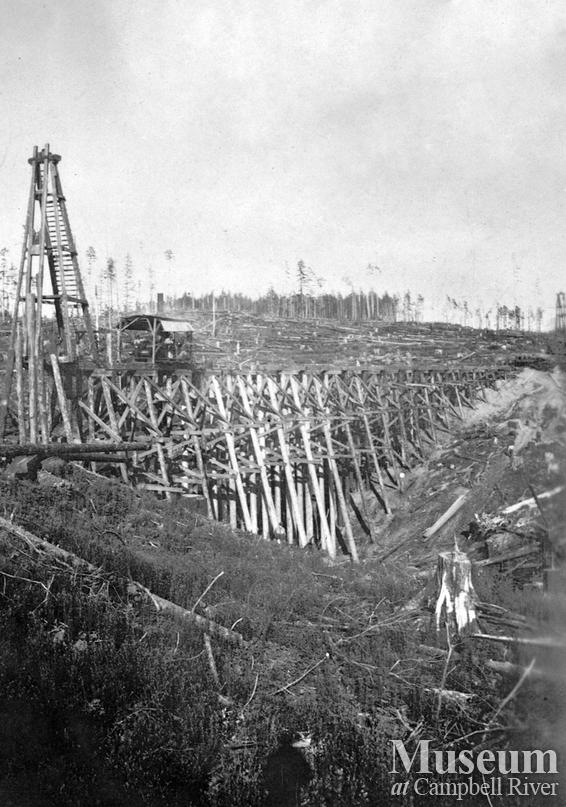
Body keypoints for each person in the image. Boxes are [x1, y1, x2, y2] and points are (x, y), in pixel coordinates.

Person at [261, 730, 313, 807]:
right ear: (291, 741)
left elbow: (266, 775)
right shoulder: (297, 756)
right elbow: (307, 773)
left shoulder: (273, 757)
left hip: (276, 794)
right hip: (291, 793)